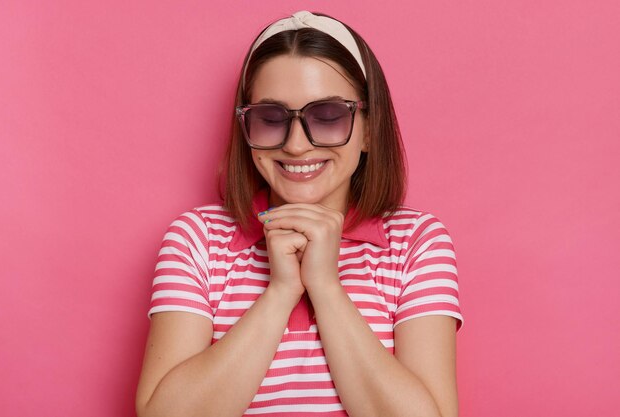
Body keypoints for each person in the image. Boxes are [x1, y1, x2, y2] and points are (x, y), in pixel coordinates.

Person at [136, 10, 463, 417]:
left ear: (369, 129)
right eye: (270, 118)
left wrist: (325, 287)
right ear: (246, 128)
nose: (295, 144)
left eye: (327, 116)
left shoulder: (417, 241)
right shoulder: (196, 239)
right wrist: (281, 291)